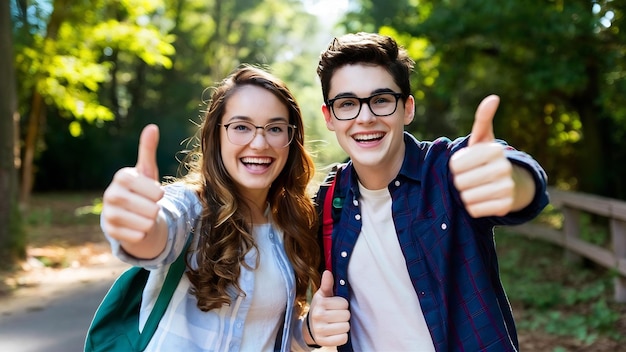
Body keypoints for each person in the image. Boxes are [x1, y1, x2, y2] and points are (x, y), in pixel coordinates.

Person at [303, 32, 550, 351]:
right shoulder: (327, 201)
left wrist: (515, 181)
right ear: (330, 117)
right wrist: (308, 328)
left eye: (381, 100)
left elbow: (517, 178)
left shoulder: (447, 169)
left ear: (407, 108)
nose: (365, 118)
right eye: (347, 103)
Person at [100, 65, 321, 351]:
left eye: (275, 128)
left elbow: (270, 335)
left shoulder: (292, 226)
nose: (259, 142)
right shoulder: (189, 207)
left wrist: (309, 331)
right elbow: (157, 233)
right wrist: (137, 226)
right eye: (241, 127)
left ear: (291, 140)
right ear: (215, 136)